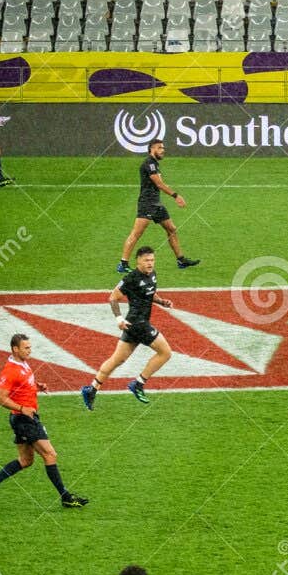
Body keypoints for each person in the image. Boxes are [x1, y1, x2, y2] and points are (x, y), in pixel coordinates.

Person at [0, 333, 88, 509]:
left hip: (23, 417)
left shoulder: (22, 363)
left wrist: (36, 387)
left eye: (30, 347)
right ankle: (65, 496)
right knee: (50, 455)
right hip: (24, 419)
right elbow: (0, 398)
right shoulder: (10, 370)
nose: (30, 351)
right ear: (15, 349)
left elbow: (22, 385)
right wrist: (22, 408)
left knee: (25, 460)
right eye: (26, 348)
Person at [81, 247, 176, 408]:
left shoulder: (152, 275)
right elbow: (113, 297)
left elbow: (150, 292)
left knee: (118, 359)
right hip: (138, 323)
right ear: (138, 261)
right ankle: (138, 384)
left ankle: (92, 389)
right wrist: (119, 318)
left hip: (133, 325)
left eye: (152, 260)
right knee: (165, 352)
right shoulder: (131, 278)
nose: (150, 263)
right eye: (146, 260)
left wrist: (162, 301)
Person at [117, 139, 198, 274]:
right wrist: (176, 196)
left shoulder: (154, 164)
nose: (163, 150)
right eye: (160, 148)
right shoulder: (149, 164)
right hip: (147, 204)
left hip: (156, 204)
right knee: (136, 233)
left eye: (163, 148)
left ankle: (181, 260)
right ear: (152, 149)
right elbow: (159, 184)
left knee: (171, 229)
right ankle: (123, 264)